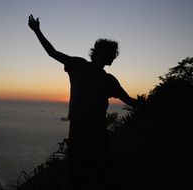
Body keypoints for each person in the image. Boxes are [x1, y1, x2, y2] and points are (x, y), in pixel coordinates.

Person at [28, 14, 138, 190]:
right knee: (84, 175)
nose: (115, 57)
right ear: (102, 53)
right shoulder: (81, 66)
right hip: (87, 131)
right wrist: (37, 31)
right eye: (112, 54)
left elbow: (129, 100)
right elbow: (52, 53)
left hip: (90, 131)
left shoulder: (107, 79)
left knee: (91, 174)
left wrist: (156, 107)